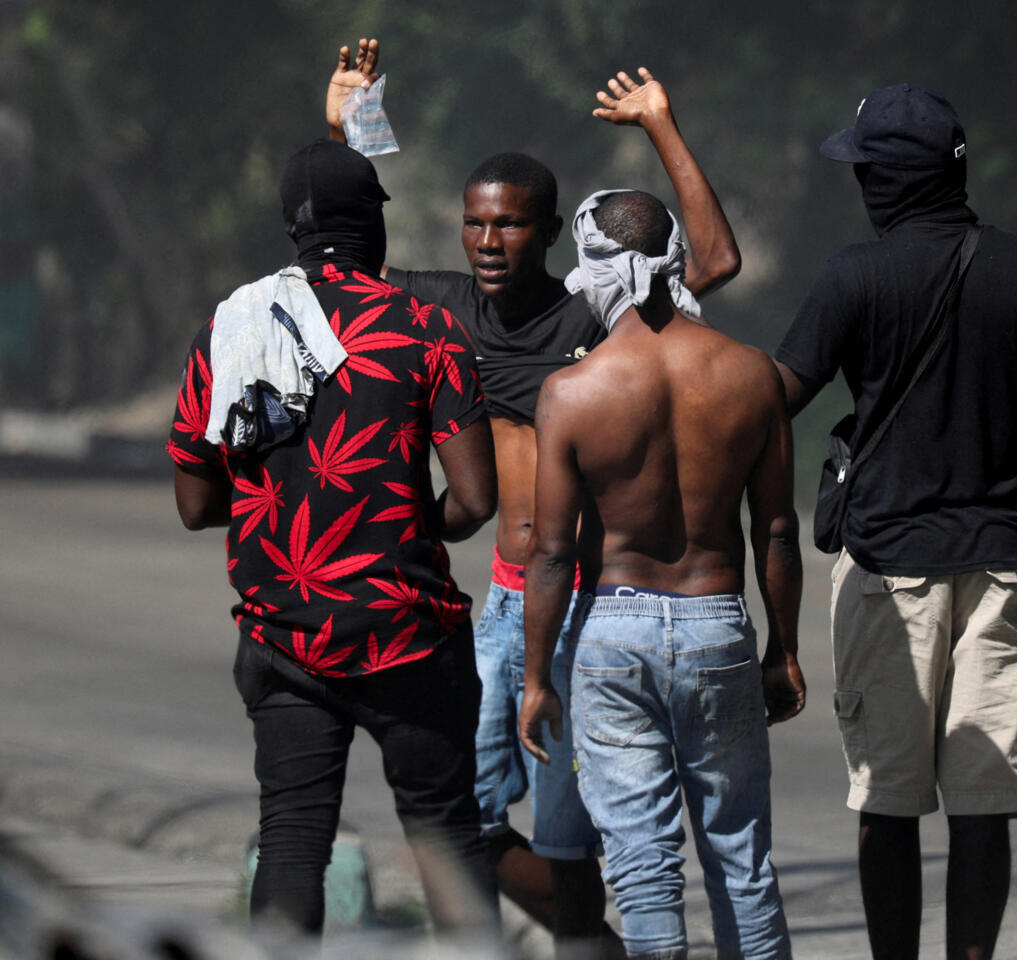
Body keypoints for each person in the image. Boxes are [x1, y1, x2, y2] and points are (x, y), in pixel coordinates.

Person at [327, 40, 742, 955]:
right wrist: (353, 128)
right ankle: (597, 946)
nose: (488, 242)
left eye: (510, 226)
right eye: (475, 224)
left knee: (566, 840)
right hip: (505, 605)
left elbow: (713, 260)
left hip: (588, 608)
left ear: (549, 233)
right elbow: (346, 266)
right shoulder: (441, 309)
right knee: (456, 818)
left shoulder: (593, 310)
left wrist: (661, 125)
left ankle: (587, 942)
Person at [773, 83, 1017, 959]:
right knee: (982, 806)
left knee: (887, 803)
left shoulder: (855, 276)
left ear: (889, 180)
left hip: (887, 569)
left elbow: (773, 401)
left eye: (864, 171)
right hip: (1004, 564)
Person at [167, 139, 498, 936]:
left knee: (291, 836)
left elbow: (194, 504)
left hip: (282, 637)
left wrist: (278, 505)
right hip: (409, 633)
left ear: (294, 228)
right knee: (447, 836)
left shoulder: (231, 328)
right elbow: (476, 498)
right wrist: (411, 521)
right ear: (373, 224)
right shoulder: (427, 329)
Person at [519, 189, 806, 960]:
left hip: (612, 632)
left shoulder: (571, 392)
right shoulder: (750, 373)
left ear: (592, 268)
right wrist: (783, 648)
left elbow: (551, 552)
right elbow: (777, 530)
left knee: (643, 867)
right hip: (716, 623)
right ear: (676, 258)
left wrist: (537, 678)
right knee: (741, 857)